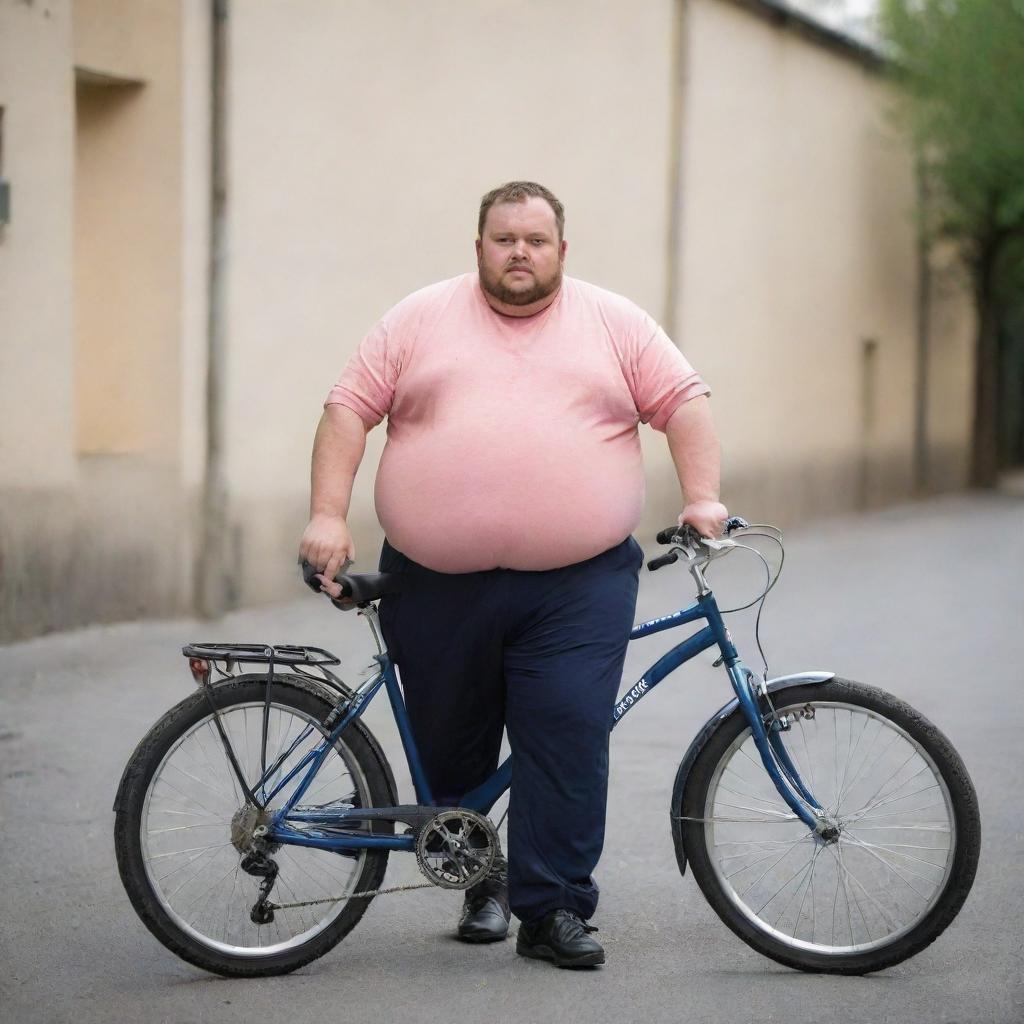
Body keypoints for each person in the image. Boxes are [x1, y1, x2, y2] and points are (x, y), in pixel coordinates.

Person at [298, 181, 727, 969]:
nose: (520, 253)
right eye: (504, 239)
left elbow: (685, 402)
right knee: (452, 743)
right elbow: (348, 407)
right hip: (433, 579)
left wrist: (702, 499)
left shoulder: (616, 322)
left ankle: (554, 908)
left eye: (535, 239)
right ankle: (482, 881)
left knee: (564, 733)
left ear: (563, 249)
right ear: (479, 249)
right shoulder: (419, 317)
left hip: (578, 582)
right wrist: (329, 514)